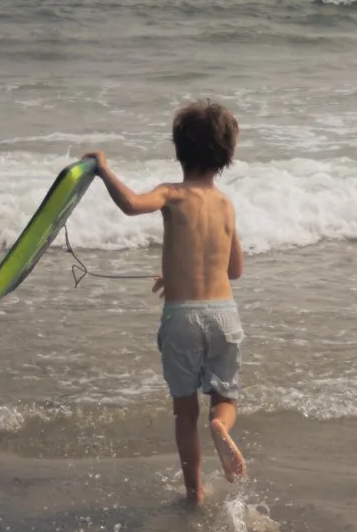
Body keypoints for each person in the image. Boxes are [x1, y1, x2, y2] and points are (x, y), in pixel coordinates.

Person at [84, 100, 246, 503]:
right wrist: (180, 271)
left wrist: (103, 169)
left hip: (182, 319)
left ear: (178, 149)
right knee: (224, 399)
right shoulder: (226, 204)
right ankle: (222, 428)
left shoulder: (172, 194)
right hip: (224, 314)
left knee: (184, 411)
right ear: (226, 156)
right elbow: (234, 270)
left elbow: (131, 205)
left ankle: (195, 493)